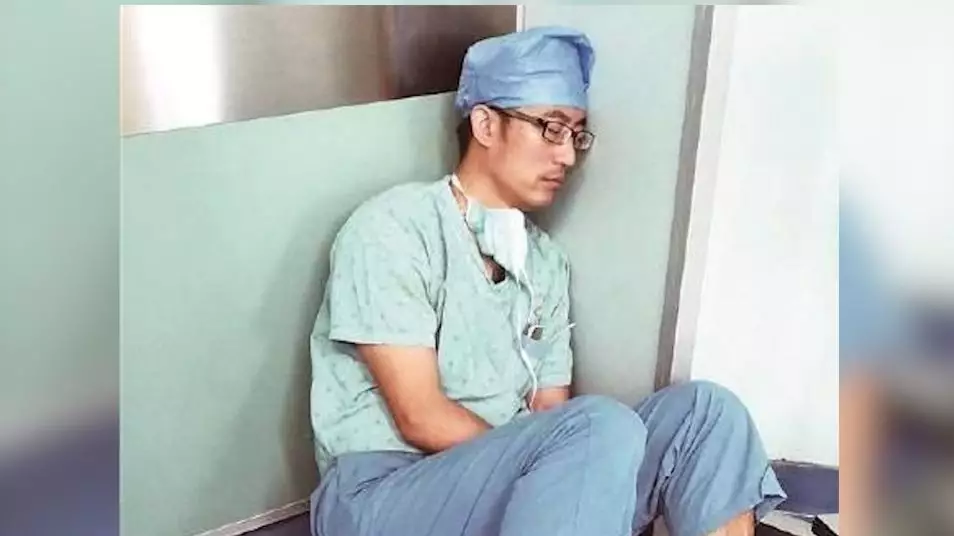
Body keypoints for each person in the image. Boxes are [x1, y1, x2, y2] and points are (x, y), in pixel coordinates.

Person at [308, 26, 786, 536]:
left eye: (576, 135)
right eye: (551, 129)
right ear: (486, 124)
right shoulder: (392, 229)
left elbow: (550, 412)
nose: (568, 156)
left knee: (706, 413)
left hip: (517, 484)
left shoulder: (544, 263)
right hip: (388, 493)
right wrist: (545, 460)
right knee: (598, 426)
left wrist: (551, 461)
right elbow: (420, 417)